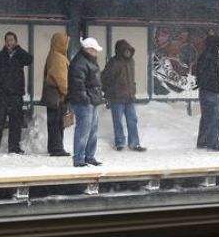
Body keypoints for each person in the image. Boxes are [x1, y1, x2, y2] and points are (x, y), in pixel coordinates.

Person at [0, 31, 33, 154]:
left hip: (17, 94)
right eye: (7, 40)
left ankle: (14, 147)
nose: (9, 42)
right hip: (3, 93)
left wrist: (19, 49)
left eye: (12, 40)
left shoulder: (20, 56)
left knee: (16, 122)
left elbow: (29, 59)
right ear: (4, 42)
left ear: (16, 41)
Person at [101, 39, 146, 152]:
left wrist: (133, 89)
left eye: (129, 51)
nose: (128, 53)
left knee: (132, 120)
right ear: (120, 51)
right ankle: (120, 142)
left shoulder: (131, 62)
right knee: (118, 121)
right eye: (125, 51)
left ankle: (134, 143)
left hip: (129, 97)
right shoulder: (113, 62)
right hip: (116, 98)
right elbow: (105, 78)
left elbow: (131, 79)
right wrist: (111, 91)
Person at [68, 37, 104, 167]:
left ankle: (89, 156)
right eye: (94, 50)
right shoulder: (80, 62)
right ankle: (79, 158)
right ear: (88, 49)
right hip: (85, 102)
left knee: (92, 130)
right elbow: (78, 84)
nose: (96, 53)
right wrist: (86, 99)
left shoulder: (88, 61)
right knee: (83, 130)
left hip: (92, 100)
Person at [195, 34, 219, 151]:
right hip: (211, 91)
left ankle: (203, 142)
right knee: (213, 117)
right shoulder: (211, 57)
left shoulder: (203, 56)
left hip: (205, 90)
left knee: (206, 117)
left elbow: (201, 75)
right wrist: (218, 86)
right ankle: (213, 143)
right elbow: (211, 76)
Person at [42, 32, 71, 157]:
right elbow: (61, 79)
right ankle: (57, 148)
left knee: (53, 122)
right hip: (58, 96)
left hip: (51, 96)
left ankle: (53, 146)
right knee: (57, 123)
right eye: (65, 43)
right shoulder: (58, 57)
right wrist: (67, 92)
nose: (67, 45)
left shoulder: (52, 54)